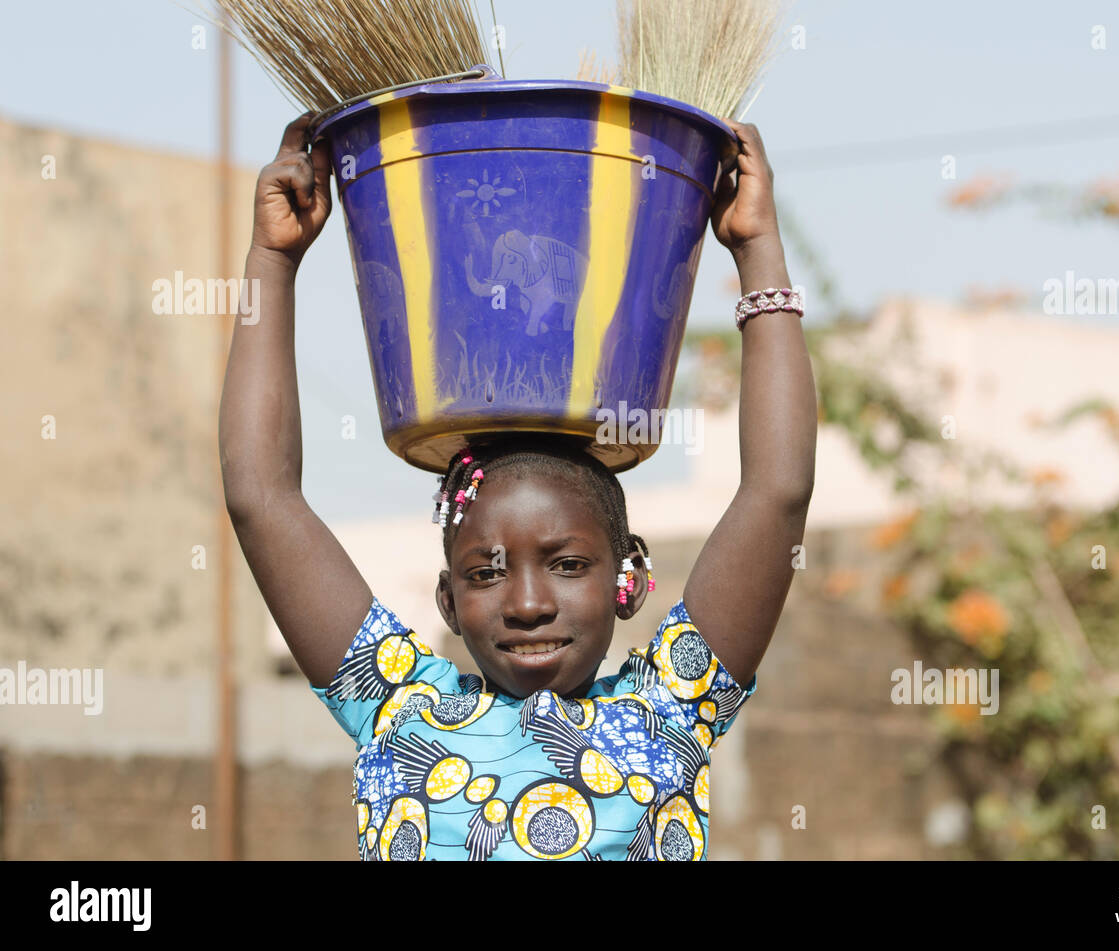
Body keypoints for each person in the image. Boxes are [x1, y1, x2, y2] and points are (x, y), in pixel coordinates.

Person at [219, 111, 816, 860]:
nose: (529, 603)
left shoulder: (669, 708)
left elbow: (777, 492)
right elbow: (260, 496)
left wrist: (758, 249)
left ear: (629, 576)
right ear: (447, 601)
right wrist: (272, 262)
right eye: (485, 572)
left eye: (567, 563)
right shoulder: (401, 711)